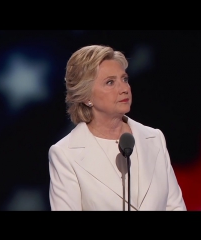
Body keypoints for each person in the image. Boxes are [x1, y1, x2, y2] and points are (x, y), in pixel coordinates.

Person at [48, 45, 186, 211]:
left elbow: (174, 206)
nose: (124, 89)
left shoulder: (154, 138)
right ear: (86, 96)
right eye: (110, 82)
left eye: (125, 79)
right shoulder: (65, 154)